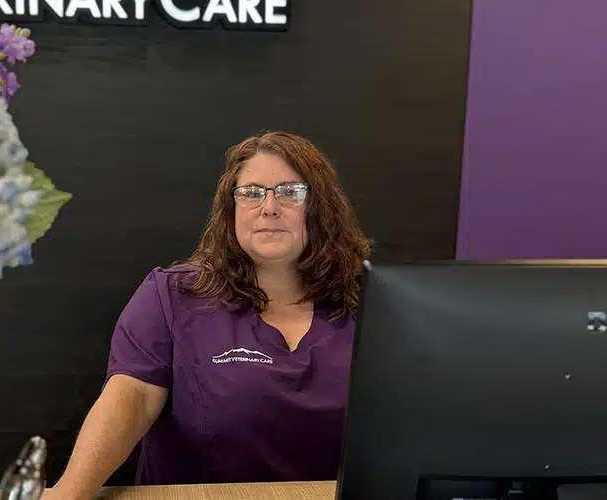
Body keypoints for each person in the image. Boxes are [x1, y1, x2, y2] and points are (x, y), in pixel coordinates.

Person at [43, 131, 372, 499]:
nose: (269, 207)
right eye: (251, 193)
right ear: (230, 210)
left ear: (321, 208)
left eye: (290, 192)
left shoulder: (367, 304)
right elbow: (132, 397)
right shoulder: (172, 295)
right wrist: (69, 493)